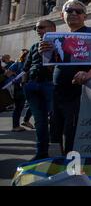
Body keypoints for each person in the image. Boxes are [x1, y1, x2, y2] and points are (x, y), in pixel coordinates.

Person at [39, 0, 91, 155]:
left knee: (73, 134)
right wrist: (46, 54)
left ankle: (74, 170)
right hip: (58, 93)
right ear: (62, 15)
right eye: (69, 10)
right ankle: (60, 166)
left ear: (85, 16)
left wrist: (89, 74)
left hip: (80, 93)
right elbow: (54, 68)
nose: (73, 13)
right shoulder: (57, 39)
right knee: (56, 134)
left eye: (78, 11)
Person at [23, 20, 57, 160]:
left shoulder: (60, 45)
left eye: (41, 27)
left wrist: (51, 52)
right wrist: (24, 82)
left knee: (55, 120)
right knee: (40, 121)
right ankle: (41, 152)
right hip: (32, 85)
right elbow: (26, 66)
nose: (38, 30)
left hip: (49, 85)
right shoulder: (34, 46)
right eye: (36, 28)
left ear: (53, 29)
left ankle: (58, 152)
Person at [5, 49, 33, 132]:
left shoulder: (17, 63)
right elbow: (8, 73)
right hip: (23, 87)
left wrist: (14, 79)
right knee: (20, 107)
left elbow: (8, 73)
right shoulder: (28, 63)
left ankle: (23, 121)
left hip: (20, 87)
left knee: (25, 106)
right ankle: (17, 125)